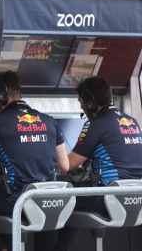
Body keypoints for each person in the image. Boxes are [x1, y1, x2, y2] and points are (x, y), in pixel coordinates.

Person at [0, 71, 69, 251]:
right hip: (48, 201)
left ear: (0, 95)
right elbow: (64, 166)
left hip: (17, 201)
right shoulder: (49, 121)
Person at [53, 77, 142, 250]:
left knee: (57, 201)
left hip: (110, 197)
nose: (81, 107)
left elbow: (68, 165)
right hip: (137, 198)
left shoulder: (95, 124)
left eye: (81, 102)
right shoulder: (132, 122)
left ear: (89, 102)